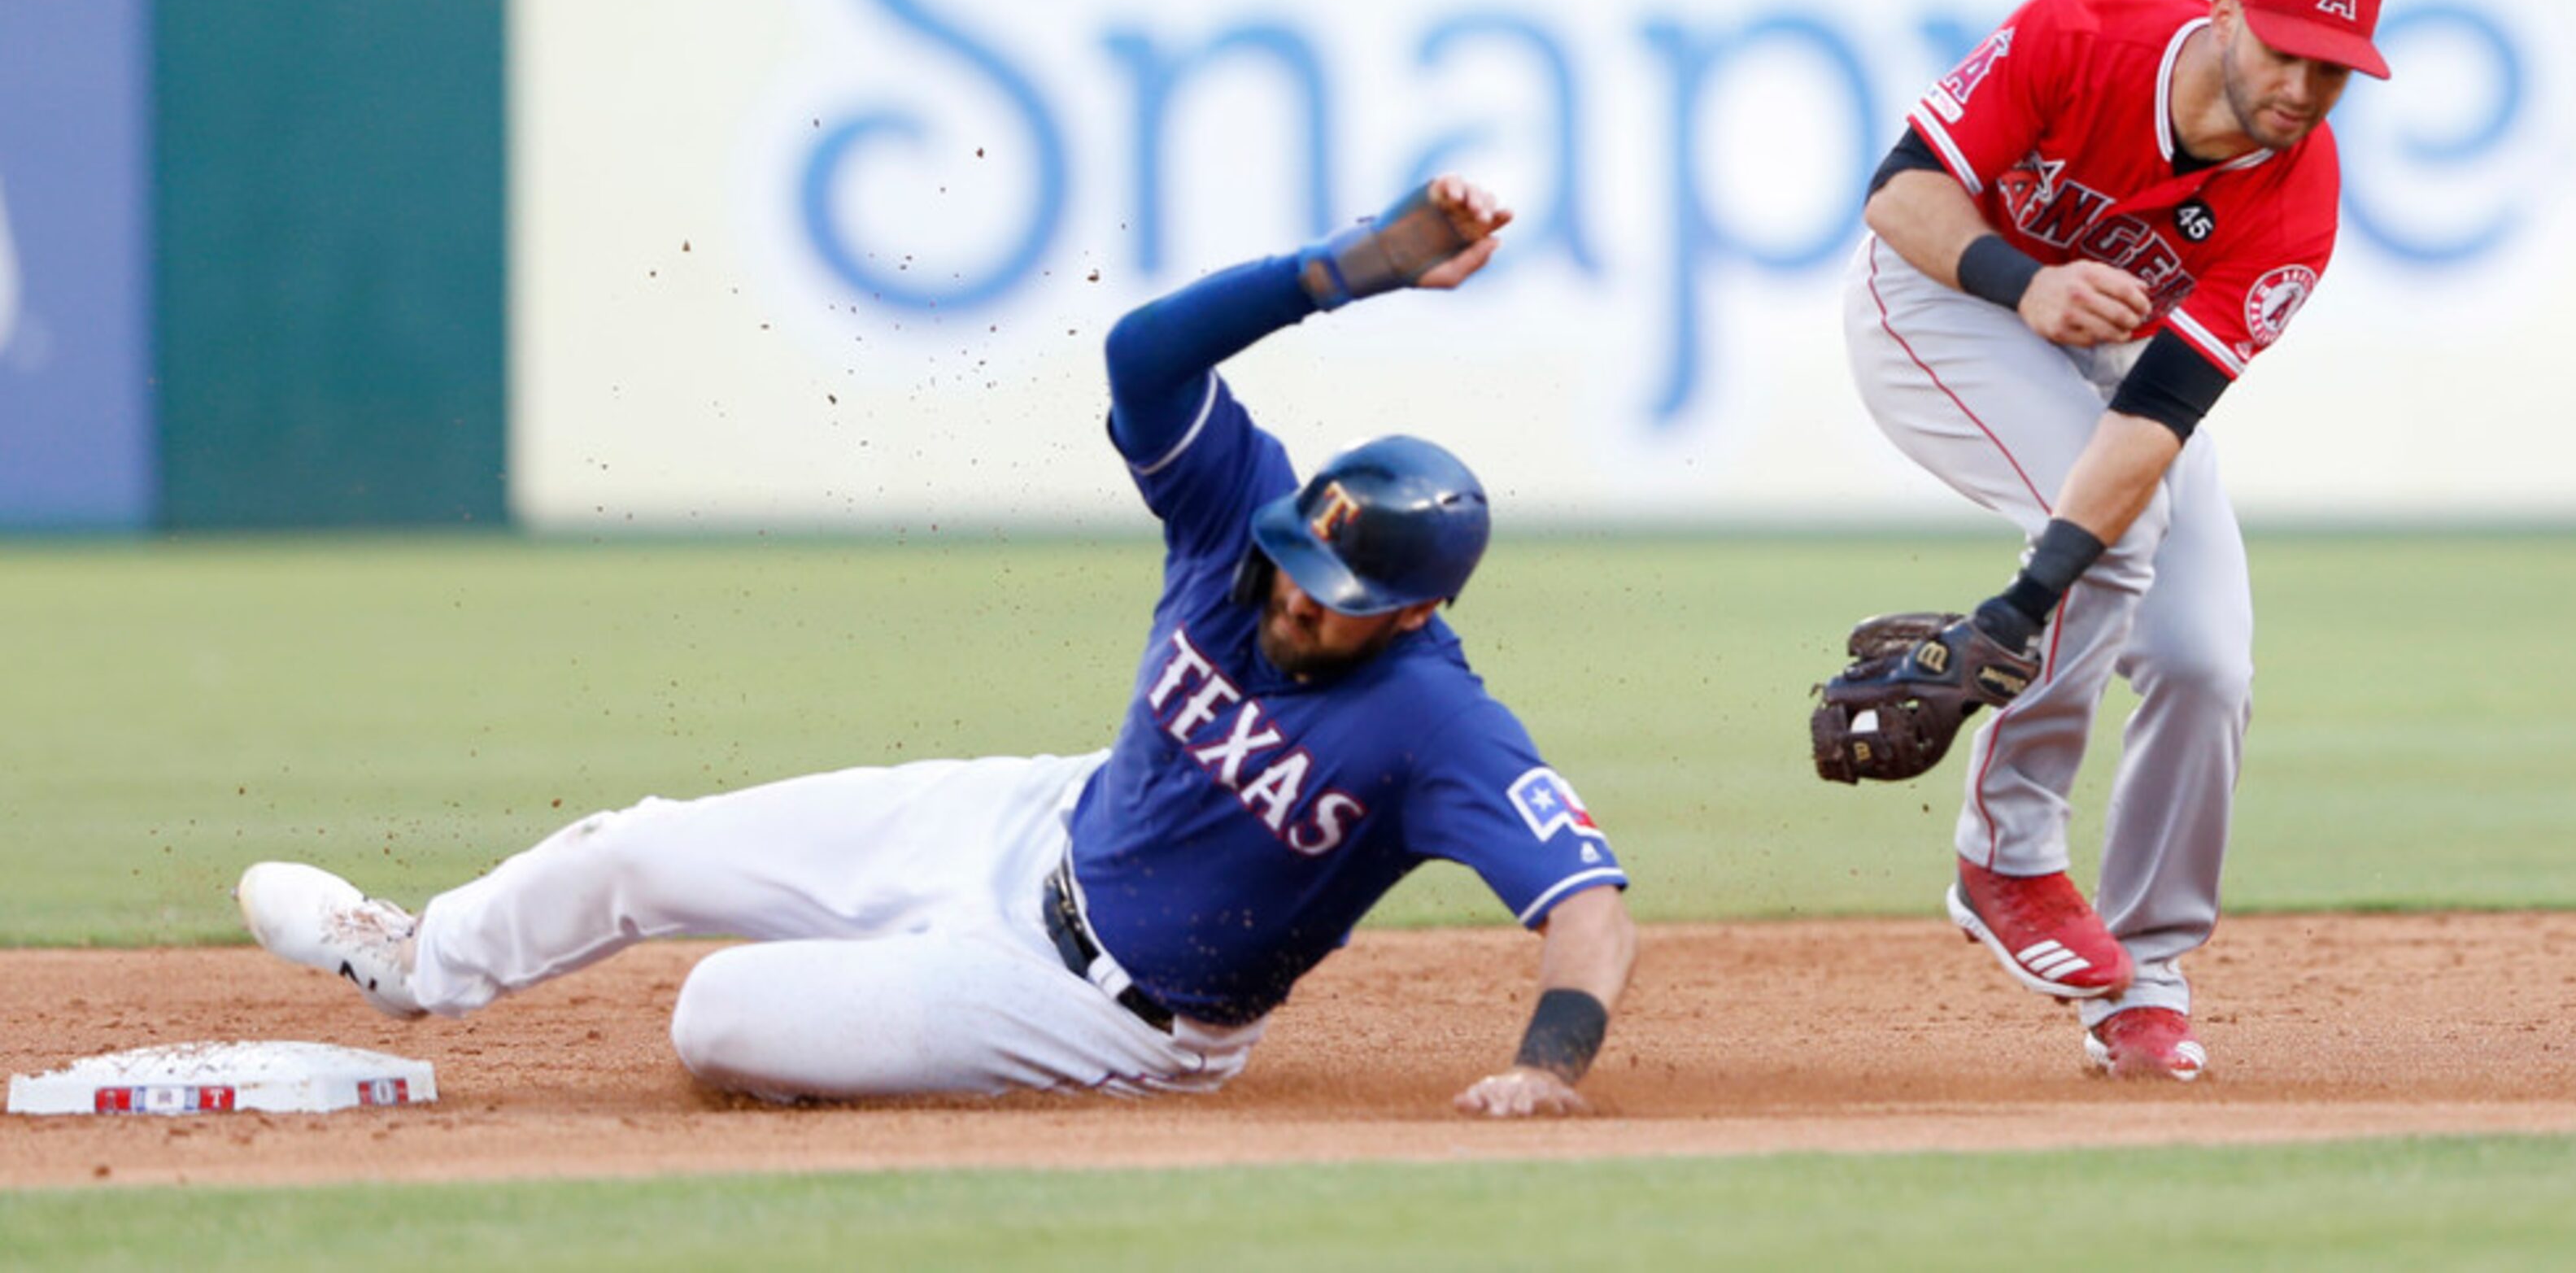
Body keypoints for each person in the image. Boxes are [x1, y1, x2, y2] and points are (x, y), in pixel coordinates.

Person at [238, 176, 1635, 1118]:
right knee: (640, 846)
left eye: (1334, 589)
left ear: (1414, 613)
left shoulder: (1433, 724)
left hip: (1118, 1020)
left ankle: (900, 1030)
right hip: (1034, 818)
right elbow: (1146, 354)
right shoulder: (1237, 529)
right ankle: (417, 959)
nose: (1293, 589)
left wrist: (1549, 1067)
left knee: (716, 1016)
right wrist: (1347, 270)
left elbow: (1588, 905)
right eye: (1296, 554)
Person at [1832, 0, 2391, 1079]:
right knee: (2117, 542)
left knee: (2203, 660)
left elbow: (2155, 417)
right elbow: (1897, 196)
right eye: (2283, 48)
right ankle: (2009, 852)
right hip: (1942, 296)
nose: (2300, 86)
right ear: (2226, 14)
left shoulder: (2298, 200)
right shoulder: (2083, 32)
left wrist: (2023, 604)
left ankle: (2146, 978)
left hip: (2112, 371)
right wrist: (2023, 280)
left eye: (2331, 65)